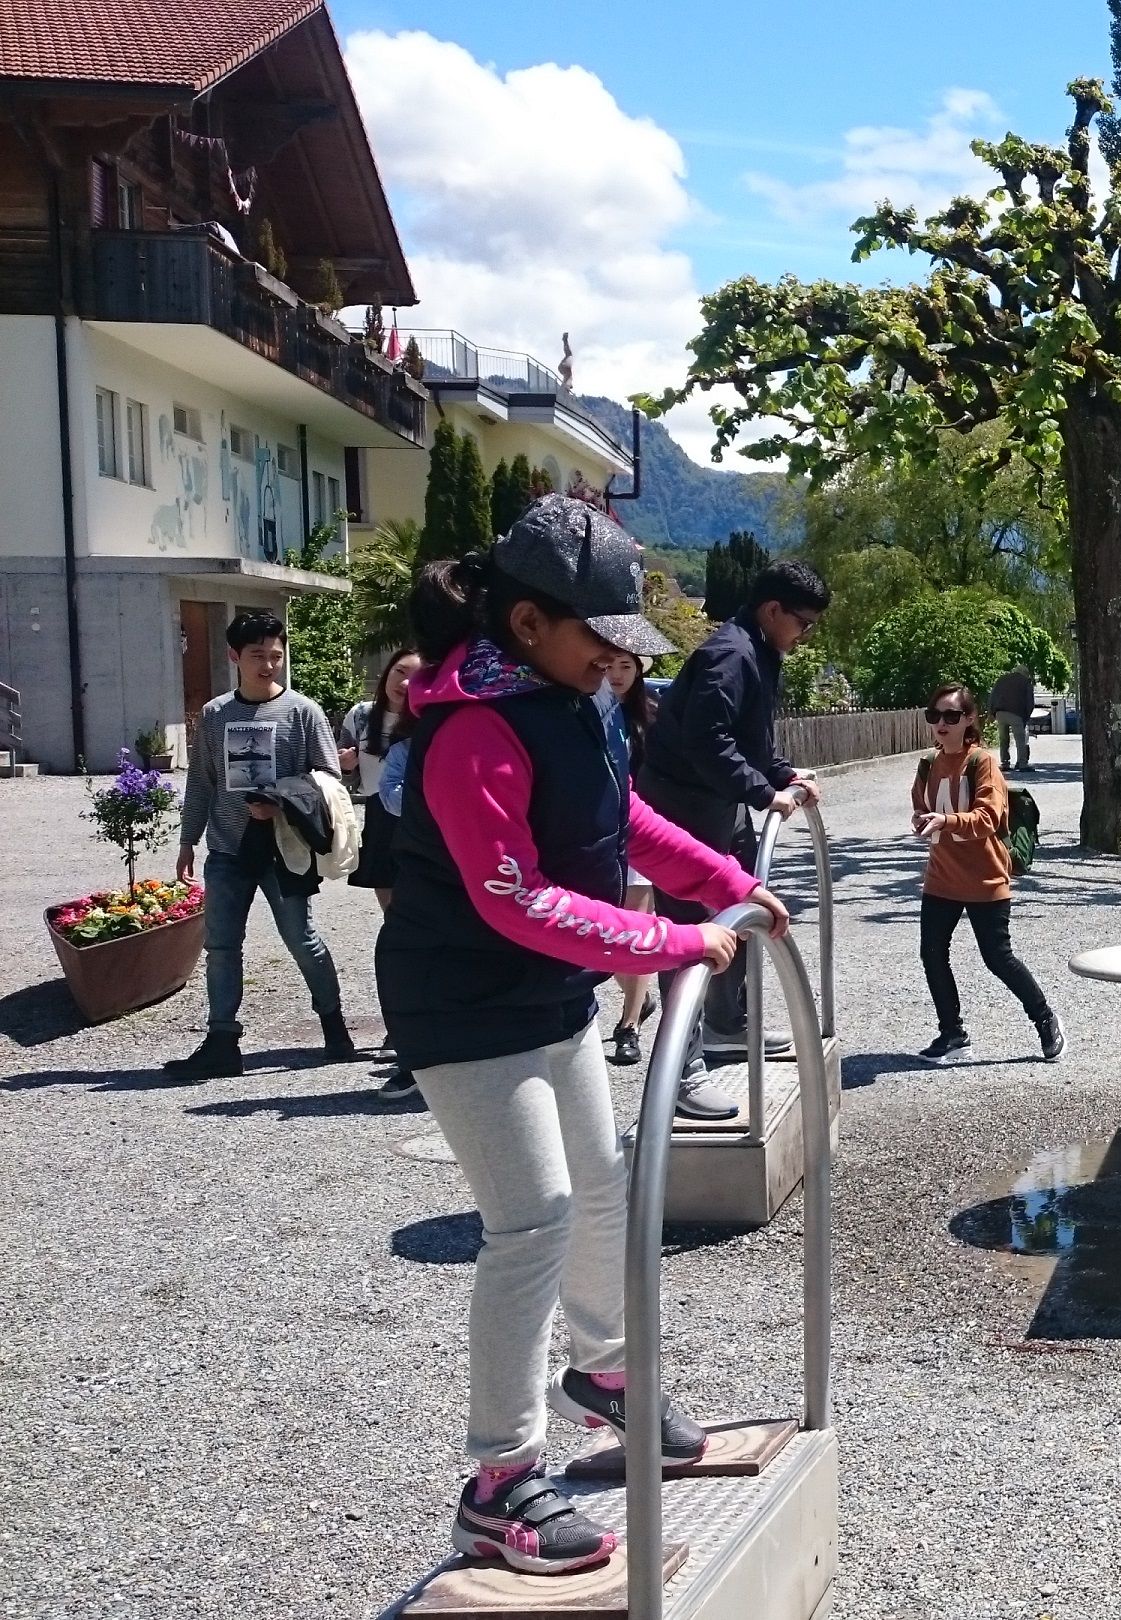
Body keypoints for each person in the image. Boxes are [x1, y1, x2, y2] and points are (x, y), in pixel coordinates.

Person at [380, 494, 789, 1575]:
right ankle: (498, 1480)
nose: (619, 659)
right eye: (601, 637)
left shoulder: (573, 703)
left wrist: (728, 883)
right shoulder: (472, 726)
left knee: (605, 1184)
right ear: (527, 625)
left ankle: (609, 1377)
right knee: (535, 1221)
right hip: (464, 1003)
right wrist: (668, 940)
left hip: (546, 991)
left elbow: (626, 822)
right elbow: (512, 896)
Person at [639, 558, 826, 1118]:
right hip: (681, 806)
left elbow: (753, 737)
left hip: (718, 804)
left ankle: (727, 1023)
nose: (805, 633)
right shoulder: (730, 653)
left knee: (742, 905)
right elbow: (706, 739)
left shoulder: (762, 651)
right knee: (689, 933)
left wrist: (782, 775)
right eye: (803, 622)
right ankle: (680, 1070)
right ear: (773, 610)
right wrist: (761, 792)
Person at [165, 609, 357, 1080]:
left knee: (301, 939)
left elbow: (330, 779)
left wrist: (282, 804)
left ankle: (334, 1026)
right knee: (222, 946)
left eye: (276, 655)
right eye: (257, 656)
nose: (268, 665)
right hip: (228, 848)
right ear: (234, 656)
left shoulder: (303, 712)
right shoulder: (214, 714)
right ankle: (222, 1041)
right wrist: (188, 840)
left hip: (285, 847)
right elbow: (202, 783)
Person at [910, 683, 1062, 1063]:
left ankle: (1045, 1019)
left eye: (951, 716)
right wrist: (923, 820)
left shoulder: (982, 763)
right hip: (941, 877)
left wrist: (944, 820)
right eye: (935, 716)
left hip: (985, 879)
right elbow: (921, 805)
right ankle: (952, 1033)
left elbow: (988, 817)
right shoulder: (928, 764)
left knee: (998, 958)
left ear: (970, 719)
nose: (942, 724)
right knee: (932, 954)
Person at [344, 649, 424, 1102]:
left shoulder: (429, 721)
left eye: (416, 677)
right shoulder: (363, 716)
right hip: (380, 816)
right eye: (399, 673)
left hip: (417, 823)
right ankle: (406, 1030)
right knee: (396, 925)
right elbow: (348, 770)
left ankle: (414, 1031)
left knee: (415, 927)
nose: (405, 684)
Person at [602, 650, 660, 1067]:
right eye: (610, 666)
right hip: (593, 837)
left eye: (627, 666)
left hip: (639, 834)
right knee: (604, 939)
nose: (618, 675)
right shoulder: (579, 712)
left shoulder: (651, 720)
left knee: (634, 933)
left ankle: (629, 1026)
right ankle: (639, 996)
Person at [988, 663, 1036, 771]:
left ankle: (1005, 763)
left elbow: (992, 695)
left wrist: (991, 712)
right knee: (1020, 739)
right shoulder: (1025, 682)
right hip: (1016, 714)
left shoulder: (1002, 679)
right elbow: (1030, 702)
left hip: (1000, 713)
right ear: (1025, 673)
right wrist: (1026, 716)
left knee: (1003, 739)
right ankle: (1022, 763)